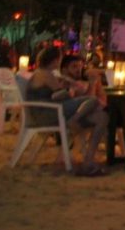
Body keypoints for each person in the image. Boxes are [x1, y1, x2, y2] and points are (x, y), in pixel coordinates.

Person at [28, 46, 108, 176]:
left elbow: (56, 94)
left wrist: (68, 85)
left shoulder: (44, 74)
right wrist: (69, 90)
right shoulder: (45, 74)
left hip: (55, 112)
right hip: (48, 114)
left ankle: (88, 162)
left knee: (102, 117)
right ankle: (74, 120)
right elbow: (61, 96)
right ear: (55, 60)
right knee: (93, 100)